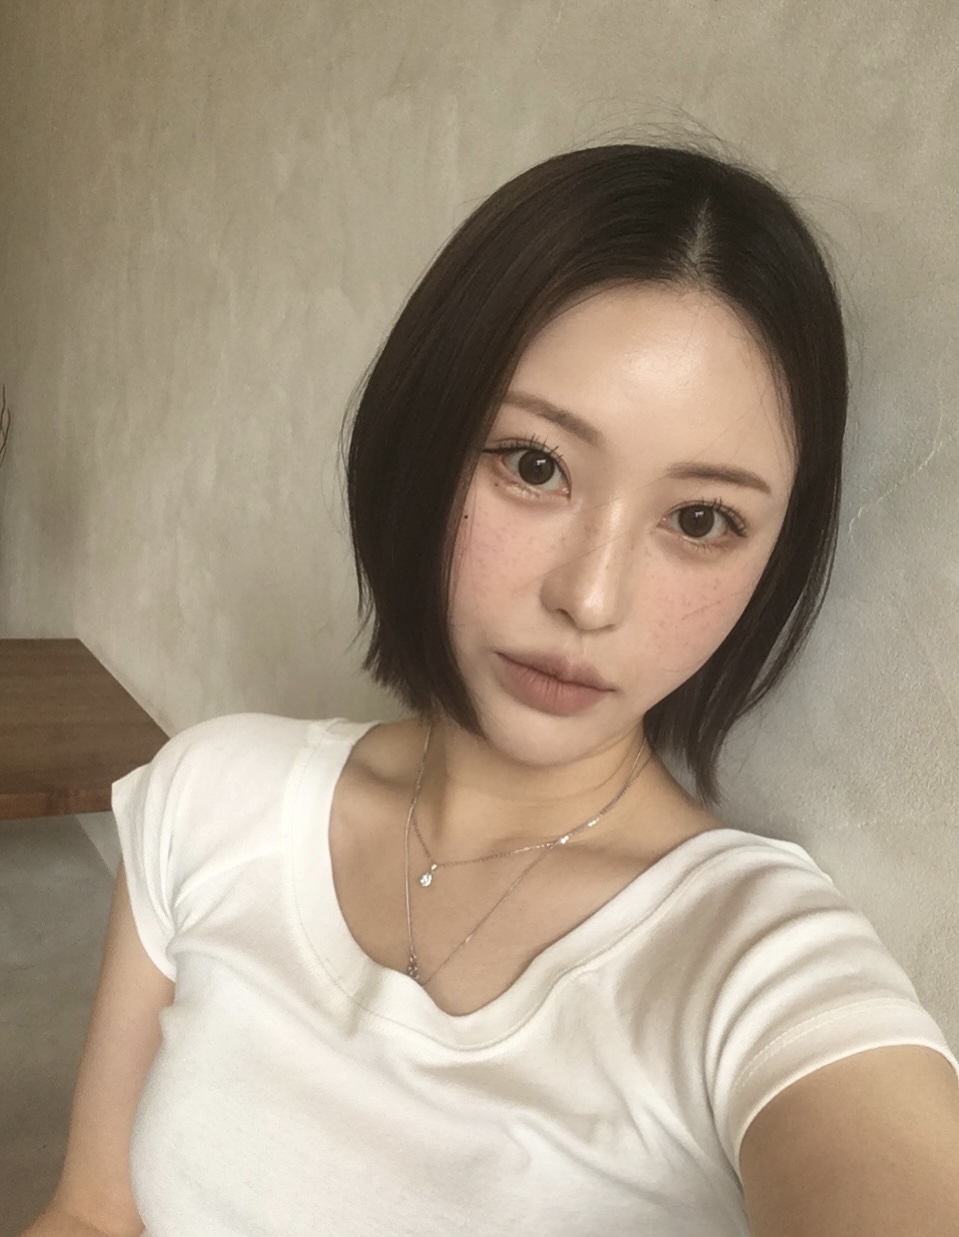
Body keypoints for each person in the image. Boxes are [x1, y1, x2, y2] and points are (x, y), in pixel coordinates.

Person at [23, 145, 959, 1237]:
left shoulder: (756, 964)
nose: (589, 597)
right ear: (420, 439)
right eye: (533, 463)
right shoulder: (211, 793)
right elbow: (92, 1214)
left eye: (699, 519)